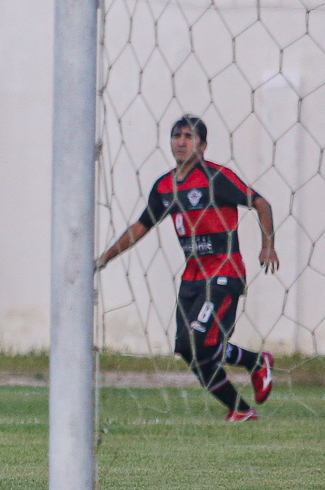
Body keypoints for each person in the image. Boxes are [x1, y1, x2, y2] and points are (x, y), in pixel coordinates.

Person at [94, 115, 279, 418]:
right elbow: (141, 226)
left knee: (201, 341)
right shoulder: (164, 186)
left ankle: (256, 362)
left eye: (189, 136)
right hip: (192, 277)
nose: (181, 142)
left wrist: (267, 246)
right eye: (176, 135)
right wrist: (105, 258)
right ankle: (241, 410)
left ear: (202, 145)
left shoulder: (216, 177)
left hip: (223, 272)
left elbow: (261, 203)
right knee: (185, 347)